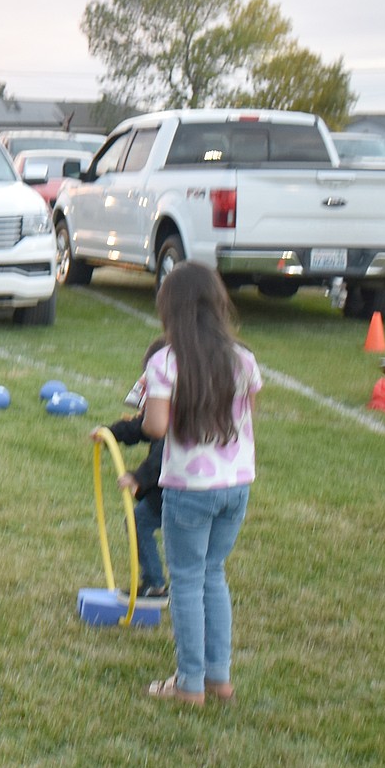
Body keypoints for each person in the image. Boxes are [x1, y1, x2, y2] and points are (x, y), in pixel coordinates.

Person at [141, 262, 262, 705]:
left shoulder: (166, 361)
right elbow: (247, 411)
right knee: (214, 575)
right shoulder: (242, 358)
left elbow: (155, 426)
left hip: (190, 488)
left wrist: (152, 403)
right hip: (236, 486)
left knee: (188, 580)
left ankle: (188, 683)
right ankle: (219, 678)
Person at [91, 336, 168, 598]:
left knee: (139, 522)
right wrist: (110, 432)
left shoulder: (175, 411)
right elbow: (141, 426)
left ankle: (156, 583)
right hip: (177, 485)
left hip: (176, 487)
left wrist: (138, 477)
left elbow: (166, 450)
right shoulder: (165, 407)